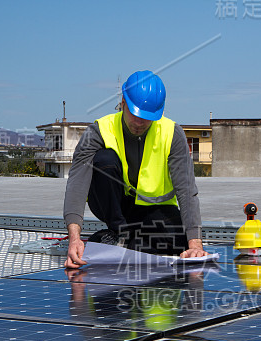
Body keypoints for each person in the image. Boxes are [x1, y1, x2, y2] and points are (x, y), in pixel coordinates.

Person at [63, 70, 208, 268]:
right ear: (123, 102)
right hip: (115, 207)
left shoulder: (172, 133)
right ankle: (119, 233)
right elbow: (77, 184)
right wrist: (74, 239)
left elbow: (187, 190)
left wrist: (195, 244)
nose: (139, 123)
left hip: (155, 210)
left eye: (147, 117)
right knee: (104, 159)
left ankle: (115, 241)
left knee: (178, 243)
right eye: (135, 114)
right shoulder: (98, 130)